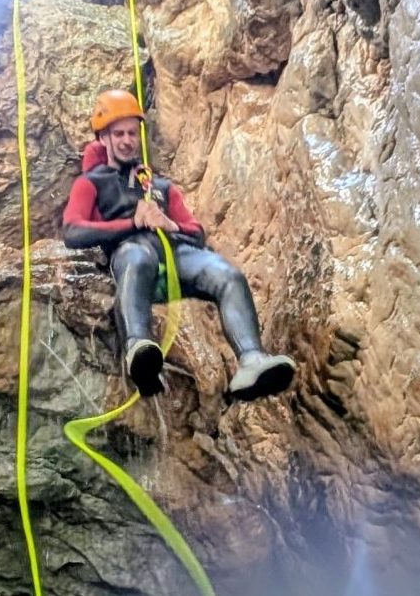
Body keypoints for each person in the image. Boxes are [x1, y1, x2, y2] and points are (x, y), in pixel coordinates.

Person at [61, 89, 297, 400]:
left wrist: (168, 224)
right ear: (103, 137)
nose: (127, 140)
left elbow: (195, 232)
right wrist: (132, 224)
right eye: (118, 133)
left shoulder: (160, 186)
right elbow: (73, 231)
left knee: (226, 275)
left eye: (132, 132)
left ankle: (252, 360)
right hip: (130, 254)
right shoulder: (90, 183)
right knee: (137, 255)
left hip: (174, 254)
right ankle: (138, 349)